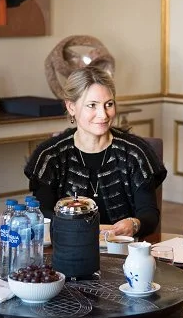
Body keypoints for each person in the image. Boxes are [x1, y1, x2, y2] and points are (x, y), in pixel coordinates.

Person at [24, 66, 167, 239]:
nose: (103, 115)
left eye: (109, 104)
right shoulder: (51, 156)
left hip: (121, 251)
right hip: (67, 248)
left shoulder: (135, 153)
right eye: (92, 105)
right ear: (71, 107)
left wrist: (134, 224)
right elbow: (42, 214)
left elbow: (149, 215)